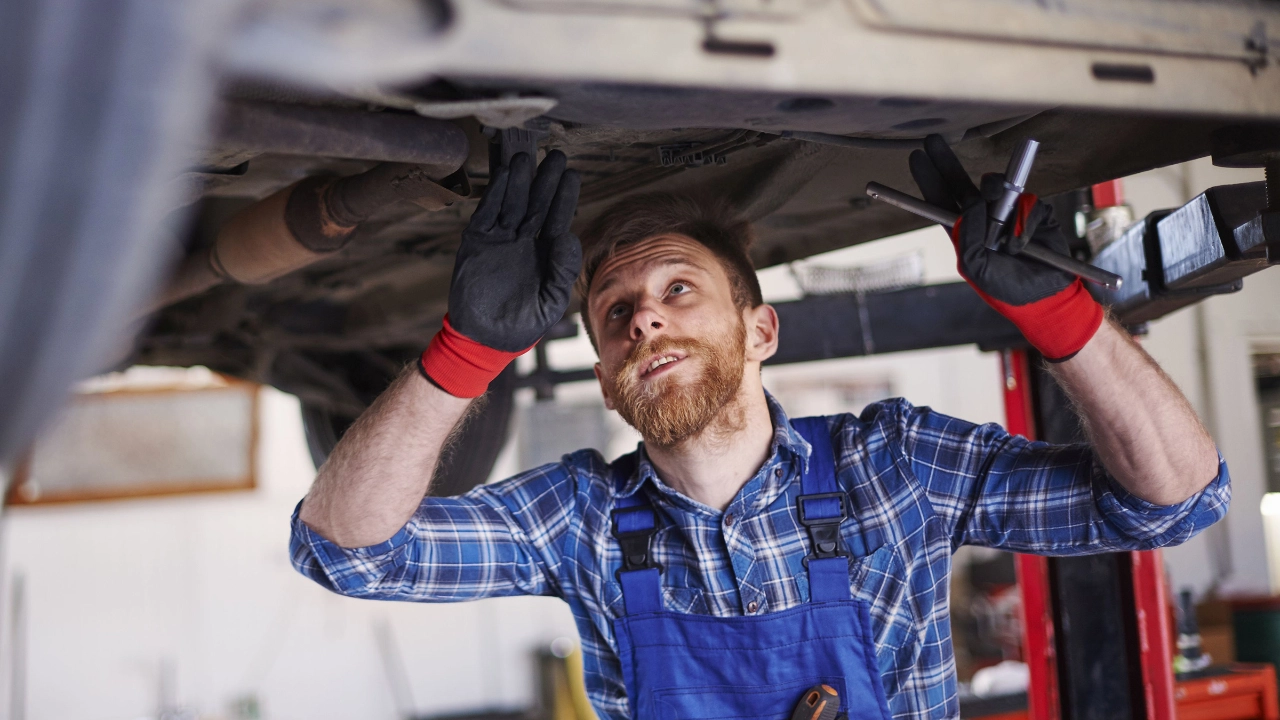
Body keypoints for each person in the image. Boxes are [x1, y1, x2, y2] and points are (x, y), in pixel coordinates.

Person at [290, 138, 1229, 720]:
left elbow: (1175, 502)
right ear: (609, 382)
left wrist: (1062, 316)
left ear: (762, 329)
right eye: (614, 313)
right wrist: (466, 352)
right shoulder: (578, 517)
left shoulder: (893, 467)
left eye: (678, 290)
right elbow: (346, 552)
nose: (642, 320)